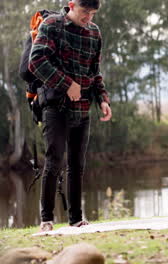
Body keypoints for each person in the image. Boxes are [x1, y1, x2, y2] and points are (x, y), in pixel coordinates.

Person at [28, 0, 111, 231]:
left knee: (77, 165)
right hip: (55, 107)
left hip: (83, 108)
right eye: (85, 12)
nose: (89, 18)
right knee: (54, 162)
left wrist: (102, 99)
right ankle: (46, 220)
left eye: (93, 13)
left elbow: (95, 72)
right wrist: (67, 84)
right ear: (72, 4)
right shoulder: (52, 25)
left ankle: (76, 219)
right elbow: (36, 62)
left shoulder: (94, 33)